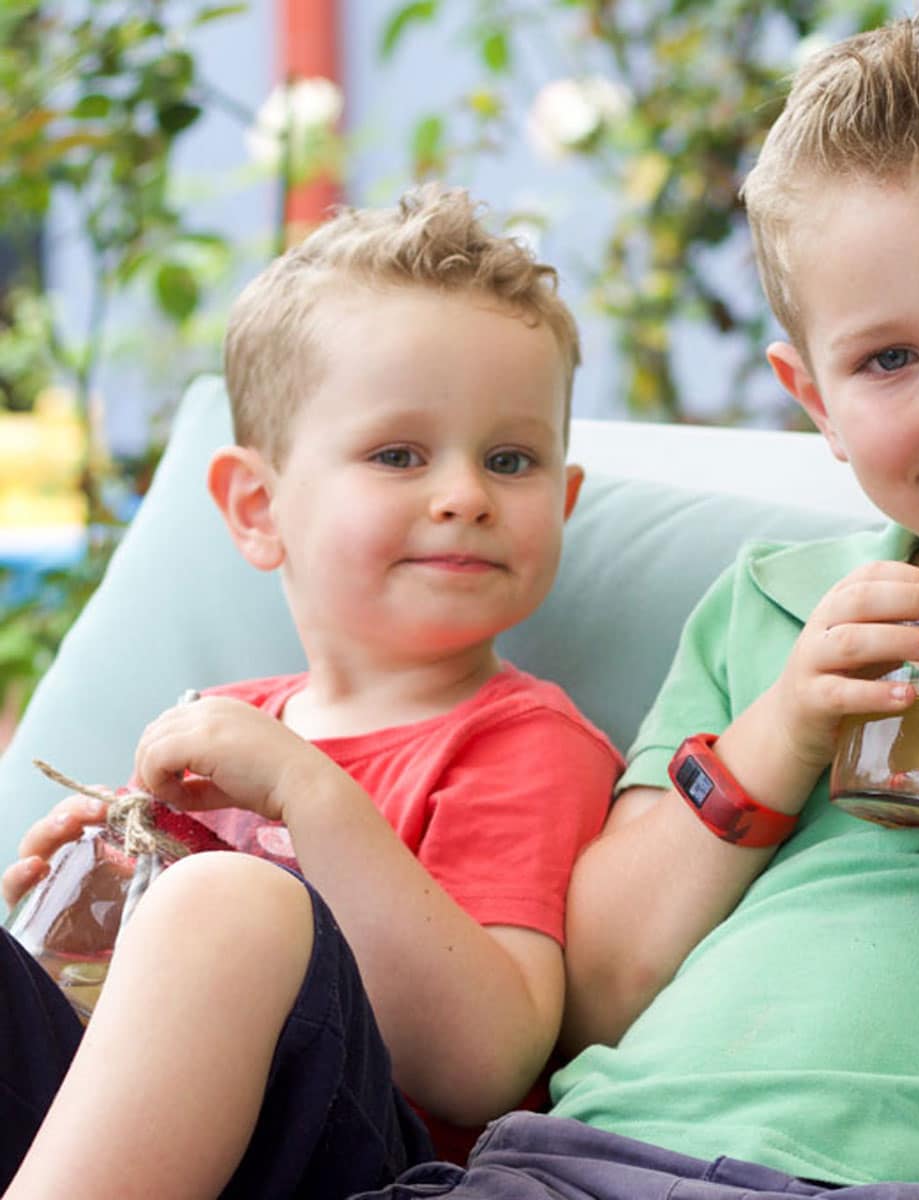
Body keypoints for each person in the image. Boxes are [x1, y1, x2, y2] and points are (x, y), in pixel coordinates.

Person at [301, 14, 919, 1200]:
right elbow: (597, 992)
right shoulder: (770, 609)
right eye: (888, 361)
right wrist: (778, 732)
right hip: (588, 1159)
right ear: (813, 398)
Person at [0, 185, 621, 1197]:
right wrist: (73, 939)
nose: (464, 493)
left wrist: (310, 797)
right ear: (258, 507)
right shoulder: (225, 729)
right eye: (399, 455)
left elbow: (484, 1065)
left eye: (511, 460)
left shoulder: (525, 743)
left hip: (367, 1164)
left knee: (238, 907)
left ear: (563, 499)